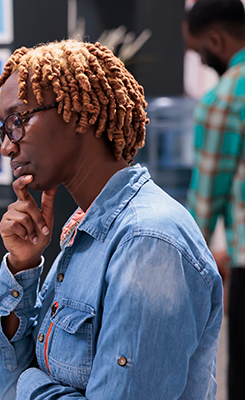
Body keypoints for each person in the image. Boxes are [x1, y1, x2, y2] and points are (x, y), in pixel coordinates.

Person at [0, 39, 223, 399]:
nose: (6, 146)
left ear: (77, 114)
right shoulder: (86, 233)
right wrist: (23, 265)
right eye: (4, 128)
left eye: (18, 120)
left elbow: (13, 385)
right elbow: (2, 372)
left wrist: (26, 385)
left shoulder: (148, 240)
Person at [183, 1, 245, 398]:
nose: (202, 62)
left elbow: (204, 207)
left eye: (198, 53)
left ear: (216, 41)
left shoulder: (224, 98)